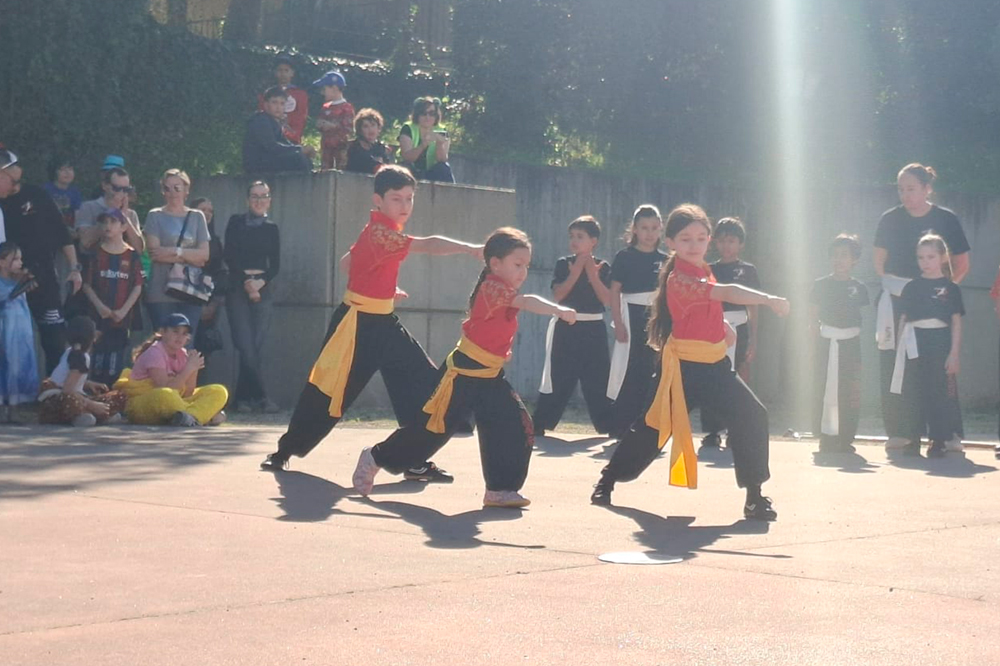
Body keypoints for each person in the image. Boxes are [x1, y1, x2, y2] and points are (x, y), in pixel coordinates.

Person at [260, 165, 482, 474]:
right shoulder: (381, 232)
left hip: (384, 322)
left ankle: (412, 459)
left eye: (409, 198)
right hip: (355, 326)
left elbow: (346, 263)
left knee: (423, 384)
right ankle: (283, 452)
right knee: (327, 391)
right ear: (378, 200)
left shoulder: (379, 231)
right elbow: (427, 244)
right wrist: (471, 249)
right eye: (396, 199)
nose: (404, 206)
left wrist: (384, 290)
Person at [352, 227, 577, 508]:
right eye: (517, 265)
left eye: (527, 266)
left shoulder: (501, 287)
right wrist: (558, 310)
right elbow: (527, 301)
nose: (523, 272)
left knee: (516, 425)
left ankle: (500, 489)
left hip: (491, 376)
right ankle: (375, 456)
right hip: (462, 376)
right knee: (431, 432)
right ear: (495, 264)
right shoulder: (493, 287)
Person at [590, 204, 789, 521]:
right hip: (681, 370)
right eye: (685, 239)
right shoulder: (678, 277)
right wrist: (768, 299)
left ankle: (754, 497)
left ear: (709, 239)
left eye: (700, 238)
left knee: (752, 415)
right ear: (670, 242)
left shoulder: (703, 270)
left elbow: (703, 308)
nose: (694, 245)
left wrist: (721, 328)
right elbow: (724, 292)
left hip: (715, 367)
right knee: (651, 430)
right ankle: (608, 480)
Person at [873, 163, 970, 452]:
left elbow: (962, 264)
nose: (905, 194)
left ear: (927, 188)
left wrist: (938, 290)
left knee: (941, 372)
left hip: (937, 303)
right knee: (898, 367)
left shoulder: (946, 219)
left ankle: (946, 433)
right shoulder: (889, 219)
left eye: (911, 188)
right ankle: (902, 431)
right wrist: (902, 292)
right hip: (899, 301)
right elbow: (879, 263)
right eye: (901, 189)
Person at [0, 147, 83, 374]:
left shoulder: (36, 194)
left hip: (43, 278)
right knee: (11, 340)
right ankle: (14, 397)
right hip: (9, 282)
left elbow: (61, 233)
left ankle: (54, 392)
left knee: (54, 339)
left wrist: (75, 268)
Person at [532, 215, 612, 436]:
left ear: (593, 240)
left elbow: (607, 300)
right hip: (566, 328)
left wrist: (592, 274)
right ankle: (540, 423)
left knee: (598, 379)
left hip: (594, 330)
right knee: (558, 376)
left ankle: (608, 425)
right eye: (572, 236)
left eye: (580, 236)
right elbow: (558, 296)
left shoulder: (604, 267)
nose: (574, 241)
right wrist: (576, 270)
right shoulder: (562, 263)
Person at [889, 234, 964, 458]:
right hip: (913, 342)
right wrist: (898, 351)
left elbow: (956, 323)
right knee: (913, 392)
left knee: (938, 392)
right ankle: (913, 438)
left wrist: (954, 354)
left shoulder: (951, 288)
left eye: (931, 256)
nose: (925, 262)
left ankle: (939, 439)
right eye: (921, 257)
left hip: (939, 341)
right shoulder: (912, 287)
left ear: (942, 257)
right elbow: (903, 318)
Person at [606, 205, 667, 438]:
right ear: (635, 229)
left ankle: (649, 424)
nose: (649, 233)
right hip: (631, 314)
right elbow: (614, 291)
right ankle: (621, 423)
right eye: (644, 228)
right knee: (629, 369)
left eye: (654, 228)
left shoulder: (666, 259)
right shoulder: (625, 256)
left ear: (660, 229)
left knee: (654, 370)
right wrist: (618, 322)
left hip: (657, 318)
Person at [700, 217, 761, 448]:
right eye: (723, 241)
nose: (727, 246)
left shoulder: (748, 271)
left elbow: (753, 305)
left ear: (741, 244)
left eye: (732, 241)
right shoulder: (709, 269)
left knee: (739, 379)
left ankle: (738, 429)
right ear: (715, 242)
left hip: (741, 327)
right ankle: (712, 430)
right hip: (714, 329)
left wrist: (754, 339)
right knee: (712, 378)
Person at [809, 234, 869, 454]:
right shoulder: (820, 285)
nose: (839, 260)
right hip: (827, 343)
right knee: (826, 389)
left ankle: (845, 437)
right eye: (835, 255)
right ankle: (826, 436)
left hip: (851, 345)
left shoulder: (859, 288)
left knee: (849, 390)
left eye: (844, 255)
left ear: (854, 259)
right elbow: (813, 317)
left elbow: (861, 317)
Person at [224, 181, 280, 413]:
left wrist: (260, 282)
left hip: (263, 288)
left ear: (269, 200)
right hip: (238, 288)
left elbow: (275, 265)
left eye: (263, 196)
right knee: (245, 345)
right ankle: (263, 397)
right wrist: (247, 283)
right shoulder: (236, 223)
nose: (259, 200)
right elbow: (229, 255)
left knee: (256, 346)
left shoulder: (271, 228)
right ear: (248, 199)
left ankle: (242, 399)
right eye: (254, 196)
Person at [114, 313, 228, 426]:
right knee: (165, 395)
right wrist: (189, 369)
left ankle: (189, 417)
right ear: (163, 332)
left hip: (175, 402)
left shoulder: (183, 354)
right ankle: (203, 416)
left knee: (219, 390)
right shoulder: (155, 352)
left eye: (184, 334)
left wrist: (194, 368)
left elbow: (187, 394)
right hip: (144, 402)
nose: (180, 337)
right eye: (175, 331)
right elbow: (167, 388)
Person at [143, 169, 211, 339]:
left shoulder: (197, 216)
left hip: (190, 290)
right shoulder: (154, 215)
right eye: (167, 188)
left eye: (176, 188)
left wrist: (174, 251)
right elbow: (155, 253)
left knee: (186, 345)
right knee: (163, 344)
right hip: (160, 291)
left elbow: (204, 255)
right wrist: (190, 255)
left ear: (186, 190)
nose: (172, 193)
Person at [81, 211, 144, 386]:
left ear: (124, 226)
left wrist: (123, 311)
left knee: (116, 360)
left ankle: (111, 401)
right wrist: (100, 307)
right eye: (104, 222)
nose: (108, 226)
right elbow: (86, 284)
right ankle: (93, 398)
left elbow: (138, 286)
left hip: (121, 319)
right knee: (95, 359)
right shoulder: (94, 253)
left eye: (113, 222)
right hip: (97, 317)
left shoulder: (132, 256)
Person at [37, 316, 127, 427]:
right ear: (93, 337)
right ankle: (82, 416)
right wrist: (92, 404)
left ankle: (97, 414)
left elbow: (68, 378)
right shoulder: (79, 358)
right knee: (72, 403)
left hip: (70, 393)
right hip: (58, 397)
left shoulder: (72, 351)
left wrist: (88, 384)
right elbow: (67, 390)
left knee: (118, 397)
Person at [0, 242, 39, 422]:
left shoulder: (20, 279)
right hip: (4, 332)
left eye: (20, 259)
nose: (20, 263)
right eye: (15, 259)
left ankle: (15, 408)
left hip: (20, 334)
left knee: (18, 367)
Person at [190, 197, 227, 362]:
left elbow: (219, 273)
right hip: (184, 298)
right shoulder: (183, 238)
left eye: (210, 210)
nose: (207, 213)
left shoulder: (216, 241)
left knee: (203, 349)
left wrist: (213, 304)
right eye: (202, 209)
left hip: (209, 302)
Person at [243, 86, 314, 174]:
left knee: (303, 157)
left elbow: (286, 144)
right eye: (274, 103)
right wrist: (299, 150)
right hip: (258, 164)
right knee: (298, 158)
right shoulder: (261, 120)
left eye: (282, 104)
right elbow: (271, 147)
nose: (278, 107)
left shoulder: (274, 122)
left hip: (269, 160)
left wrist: (302, 149)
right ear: (265, 104)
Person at [75, 167, 144, 255]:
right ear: (105, 186)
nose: (121, 193)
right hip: (95, 263)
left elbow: (139, 249)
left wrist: (124, 216)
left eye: (126, 189)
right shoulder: (88, 207)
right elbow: (85, 242)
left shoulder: (131, 214)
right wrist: (110, 212)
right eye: (117, 188)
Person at [398, 97, 454, 183]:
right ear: (417, 114)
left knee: (443, 168)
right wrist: (423, 145)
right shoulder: (408, 128)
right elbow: (407, 157)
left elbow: (442, 160)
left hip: (431, 173)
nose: (427, 117)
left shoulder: (442, 130)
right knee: (406, 167)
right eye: (423, 113)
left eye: (432, 113)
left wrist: (439, 144)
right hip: (411, 171)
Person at [257, 54, 309, 145]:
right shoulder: (268, 93)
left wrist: (293, 134)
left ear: (292, 73)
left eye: (286, 70)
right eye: (279, 70)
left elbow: (301, 117)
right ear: (275, 72)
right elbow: (262, 113)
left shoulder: (300, 94)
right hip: (271, 137)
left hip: (292, 138)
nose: (283, 74)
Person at [314, 70, 355, 170]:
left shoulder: (347, 107)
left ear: (335, 88)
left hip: (341, 148)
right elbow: (320, 122)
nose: (322, 93)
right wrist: (319, 124)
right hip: (326, 148)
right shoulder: (325, 107)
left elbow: (349, 129)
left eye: (324, 89)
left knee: (340, 170)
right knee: (325, 170)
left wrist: (333, 126)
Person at [345, 108, 394, 175]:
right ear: (360, 130)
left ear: (378, 128)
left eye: (373, 125)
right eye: (365, 126)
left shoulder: (382, 149)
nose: (370, 129)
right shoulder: (354, 147)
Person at [43, 158, 83, 229]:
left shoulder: (75, 192)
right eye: (62, 170)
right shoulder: (45, 190)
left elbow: (78, 215)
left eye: (70, 169)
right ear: (54, 172)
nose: (67, 173)